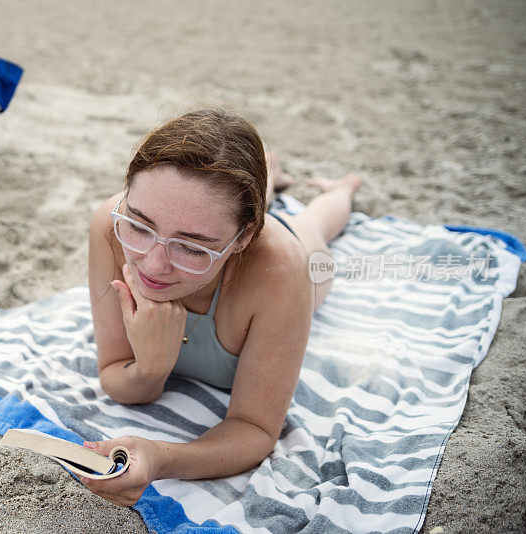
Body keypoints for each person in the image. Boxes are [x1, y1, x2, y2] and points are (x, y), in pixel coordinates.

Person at [82, 107, 363, 506]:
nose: (153, 265)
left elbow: (255, 429)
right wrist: (150, 369)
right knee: (217, 204)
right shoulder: (112, 227)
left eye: (193, 247)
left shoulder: (281, 269)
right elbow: (114, 373)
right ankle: (267, 173)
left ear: (244, 238)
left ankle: (343, 188)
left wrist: (160, 457)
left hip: (303, 268)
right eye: (140, 225)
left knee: (312, 226)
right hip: (226, 218)